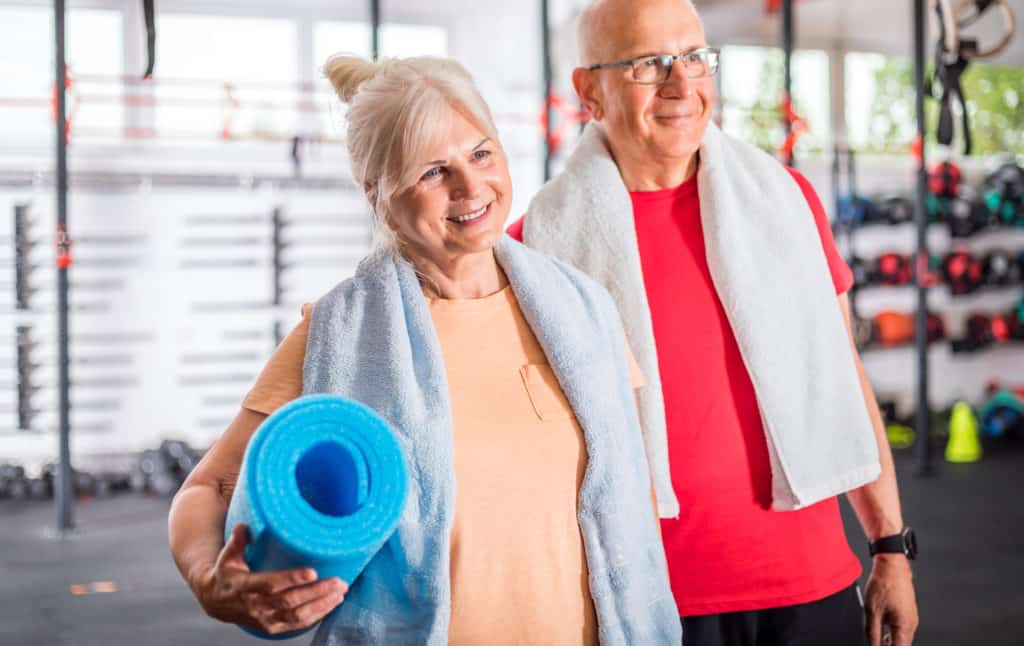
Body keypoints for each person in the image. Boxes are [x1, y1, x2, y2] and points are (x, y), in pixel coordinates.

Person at [167, 55, 680, 645]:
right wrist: (210, 579)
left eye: (481, 153)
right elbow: (205, 490)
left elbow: (628, 500)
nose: (470, 187)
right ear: (377, 194)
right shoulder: (337, 334)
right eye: (433, 171)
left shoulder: (585, 312)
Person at [507, 1, 919, 645]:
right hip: (651, 602)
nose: (682, 85)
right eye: (650, 64)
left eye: (696, 57)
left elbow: (843, 378)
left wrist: (889, 546)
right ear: (589, 90)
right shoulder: (536, 245)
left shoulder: (787, 201)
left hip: (812, 587)